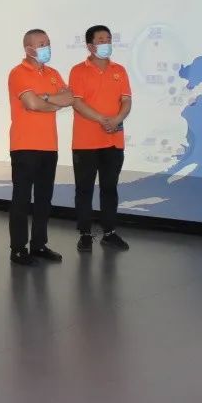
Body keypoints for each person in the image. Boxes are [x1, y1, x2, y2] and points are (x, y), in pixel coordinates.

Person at [7, 29, 72, 265]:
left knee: (44, 198)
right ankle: (18, 248)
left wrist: (44, 98)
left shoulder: (53, 73)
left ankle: (39, 245)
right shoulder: (18, 72)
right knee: (22, 199)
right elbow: (31, 104)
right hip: (24, 145)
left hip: (49, 145)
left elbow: (69, 98)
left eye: (48, 43)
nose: (47, 47)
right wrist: (51, 101)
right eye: (41, 44)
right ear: (29, 49)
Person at [70, 25, 133, 252]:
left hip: (113, 141)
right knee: (84, 189)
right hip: (85, 142)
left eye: (108, 39)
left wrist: (117, 119)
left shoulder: (120, 70)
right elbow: (77, 102)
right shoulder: (78, 71)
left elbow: (126, 100)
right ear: (90, 46)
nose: (106, 43)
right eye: (101, 40)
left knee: (109, 188)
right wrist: (102, 119)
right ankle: (85, 234)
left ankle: (109, 233)